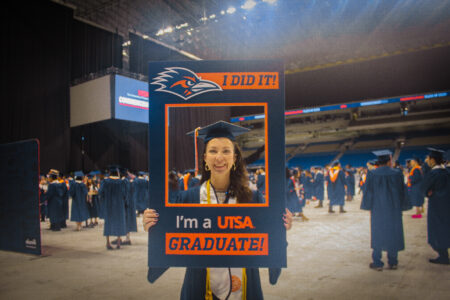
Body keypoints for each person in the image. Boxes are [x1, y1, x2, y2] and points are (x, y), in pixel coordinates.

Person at [143, 121, 292, 299]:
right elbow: (169, 243)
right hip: (199, 285)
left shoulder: (253, 199)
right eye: (213, 151)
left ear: (235, 157)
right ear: (204, 157)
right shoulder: (188, 199)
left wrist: (281, 227)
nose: (219, 157)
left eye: (226, 151)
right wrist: (153, 226)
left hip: (245, 285)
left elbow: (270, 243)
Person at [361, 150, 410, 271]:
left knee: (378, 232)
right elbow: (403, 191)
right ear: (389, 161)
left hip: (378, 209)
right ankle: (393, 262)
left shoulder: (372, 174)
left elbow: (368, 192)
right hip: (394, 209)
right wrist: (403, 206)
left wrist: (368, 206)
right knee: (393, 232)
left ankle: (377, 262)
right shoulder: (397, 173)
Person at [422, 147, 450, 265]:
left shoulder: (434, 173)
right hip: (447, 205)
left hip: (436, 205)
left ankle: (443, 255)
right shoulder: (446, 172)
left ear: (433, 160)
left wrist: (429, 192)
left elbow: (425, 189)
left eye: (428, 158)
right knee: (445, 227)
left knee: (437, 229)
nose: (427, 160)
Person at [99, 167, 128, 250]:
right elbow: (125, 194)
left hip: (109, 205)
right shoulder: (121, 182)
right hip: (119, 205)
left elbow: (100, 192)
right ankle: (118, 243)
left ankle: (108, 243)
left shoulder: (105, 182)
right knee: (119, 222)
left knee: (108, 222)